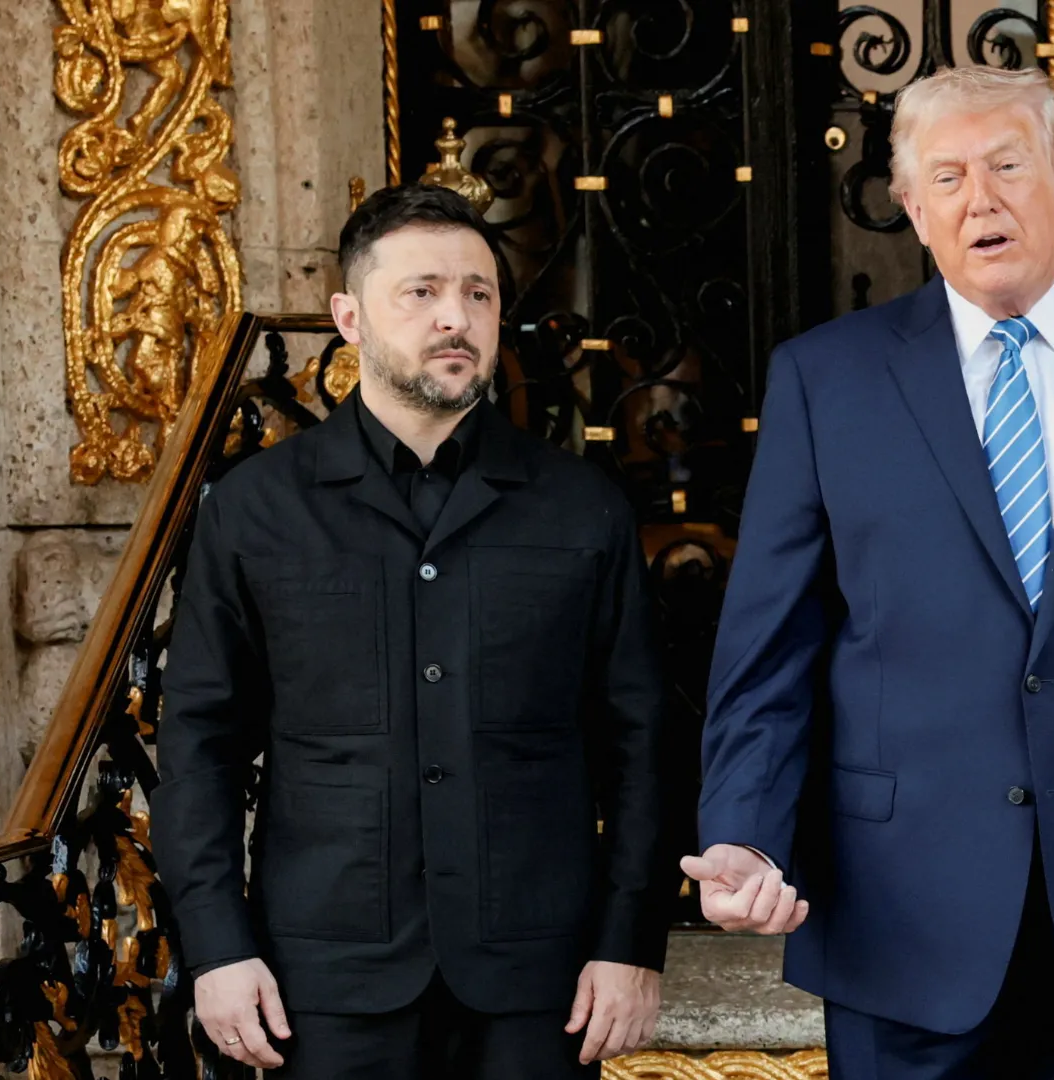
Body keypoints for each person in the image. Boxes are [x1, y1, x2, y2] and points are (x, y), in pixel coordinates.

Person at [685, 66, 1054, 1079]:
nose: (982, 199)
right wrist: (745, 834)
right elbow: (771, 645)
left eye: (1008, 166)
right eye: (948, 177)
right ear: (914, 209)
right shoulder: (826, 380)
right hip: (898, 909)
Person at [152, 183, 672, 1079]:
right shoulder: (255, 509)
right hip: (323, 977)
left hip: (538, 975)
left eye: (478, 293)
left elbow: (641, 741)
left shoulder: (582, 506)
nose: (455, 318)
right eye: (421, 292)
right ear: (349, 318)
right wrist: (217, 947)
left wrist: (630, 941)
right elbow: (200, 743)